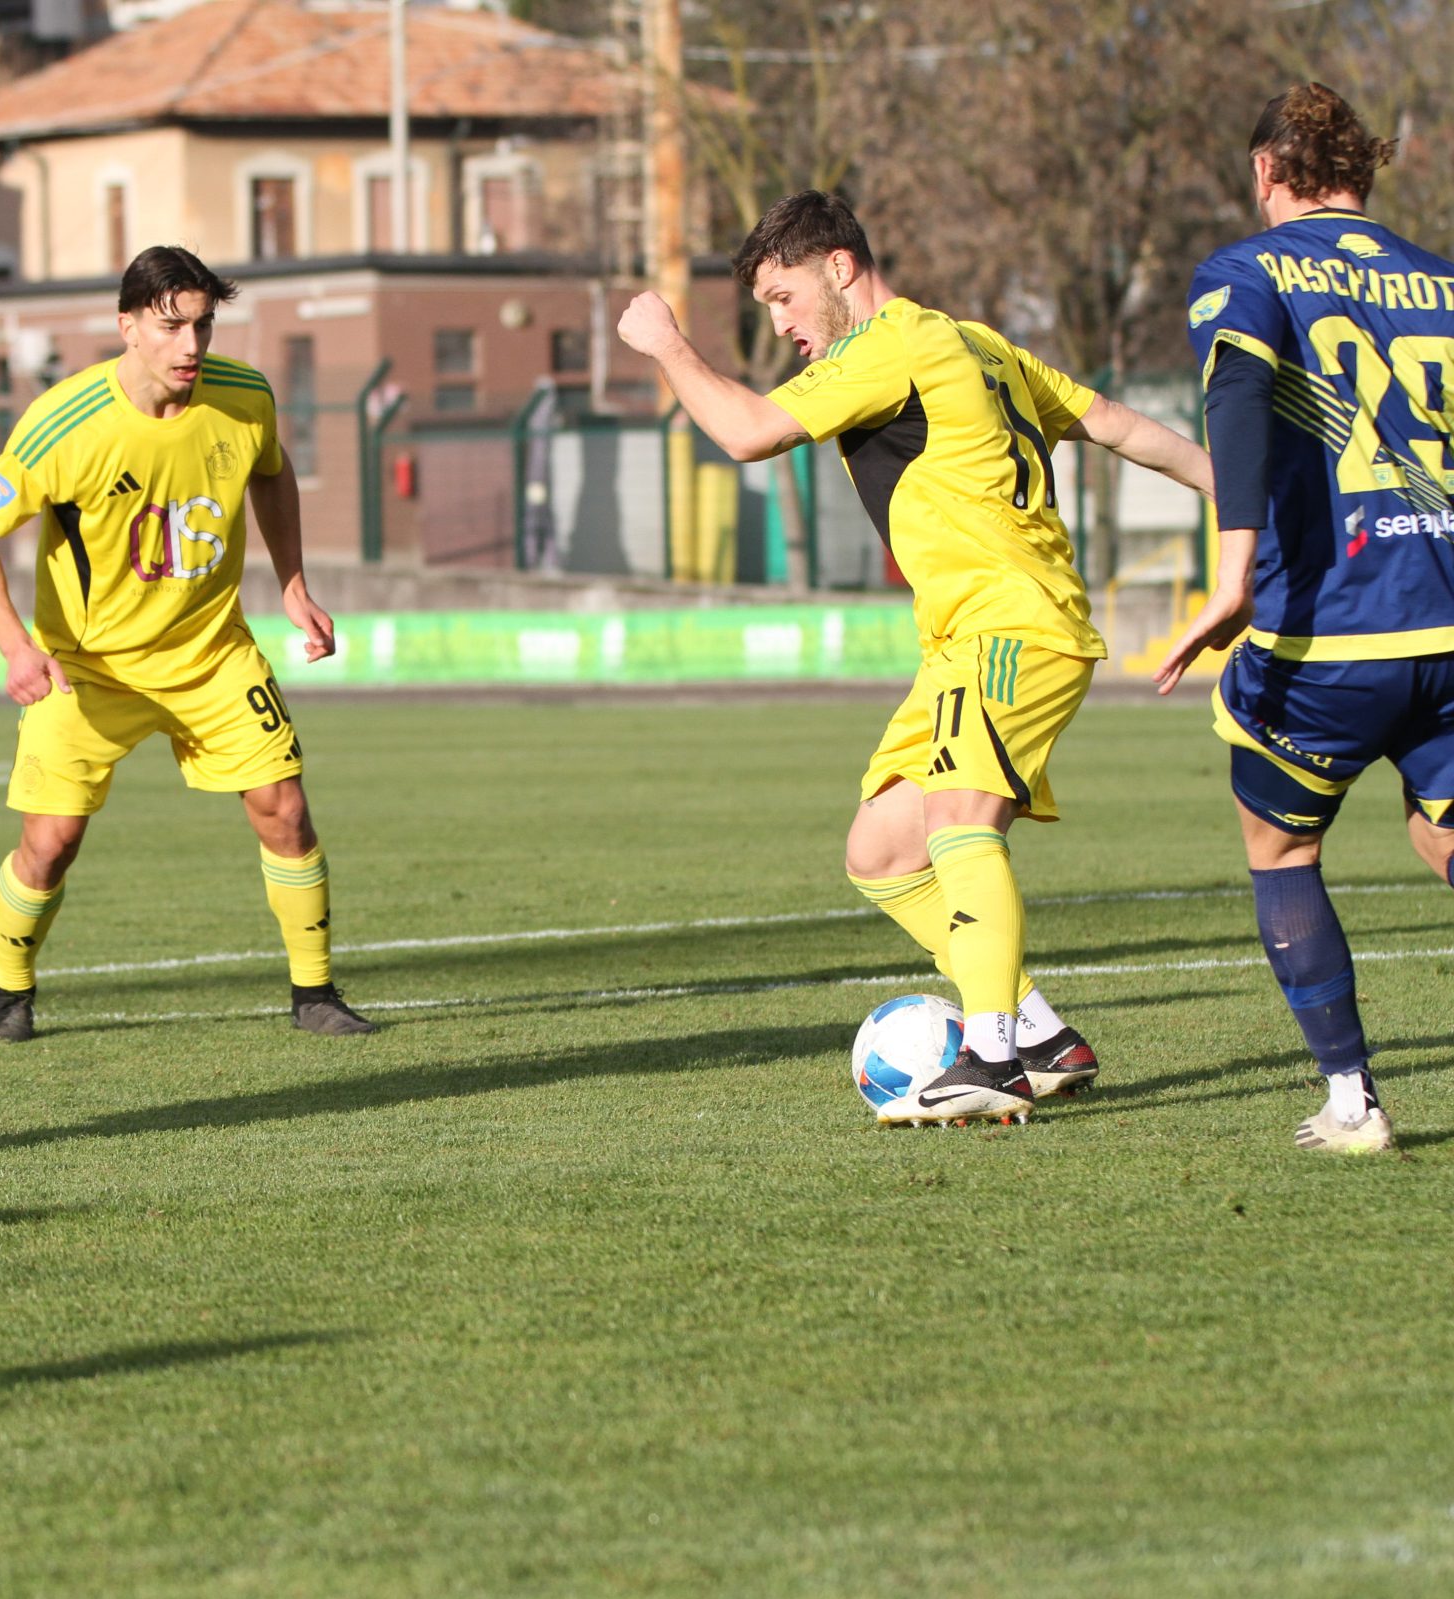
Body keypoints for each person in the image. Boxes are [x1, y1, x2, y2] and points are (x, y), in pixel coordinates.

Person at [619, 191, 1213, 1125]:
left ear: (840, 267)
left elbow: (746, 432)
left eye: (784, 298)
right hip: (965, 639)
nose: (781, 326)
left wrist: (666, 343)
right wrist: (1248, 502)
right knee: (882, 852)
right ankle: (1041, 1036)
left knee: (959, 824)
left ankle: (992, 1057)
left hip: (1006, 624)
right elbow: (1119, 426)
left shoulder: (887, 347)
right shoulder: (977, 342)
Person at [0, 245, 374, 1041]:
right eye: (171, 326)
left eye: (203, 325)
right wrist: (14, 645)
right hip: (88, 670)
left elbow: (272, 472)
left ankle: (315, 993)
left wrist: (292, 583)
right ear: (128, 327)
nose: (191, 345)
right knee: (50, 844)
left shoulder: (244, 396)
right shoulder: (64, 423)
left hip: (211, 654)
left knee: (286, 810)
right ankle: (9, 991)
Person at [1153, 84, 1451, 1156]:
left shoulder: (1246, 271)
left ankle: (1351, 1101)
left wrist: (1231, 575)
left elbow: (1236, 396)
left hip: (1327, 632)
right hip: (1447, 619)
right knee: (1443, 826)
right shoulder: (1441, 280)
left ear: (1265, 169)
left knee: (1281, 845)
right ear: (1362, 170)